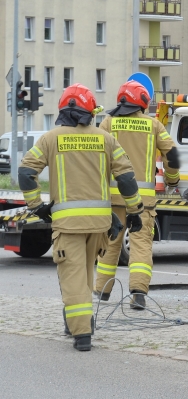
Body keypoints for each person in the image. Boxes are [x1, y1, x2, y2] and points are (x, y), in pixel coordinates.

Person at [19, 84, 143, 352]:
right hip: (99, 224)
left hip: (68, 224)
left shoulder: (50, 139)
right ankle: (77, 320)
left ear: (63, 109)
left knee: (72, 277)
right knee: (85, 274)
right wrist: (135, 211)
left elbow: (26, 172)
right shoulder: (105, 139)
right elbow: (127, 179)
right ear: (90, 110)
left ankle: (82, 333)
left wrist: (36, 206)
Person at [94, 81, 180, 309]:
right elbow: (172, 156)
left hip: (112, 200)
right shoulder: (153, 126)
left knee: (110, 244)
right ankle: (138, 294)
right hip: (142, 203)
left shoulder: (108, 123)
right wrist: (172, 179)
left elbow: (95, 157)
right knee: (141, 245)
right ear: (142, 103)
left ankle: (101, 292)